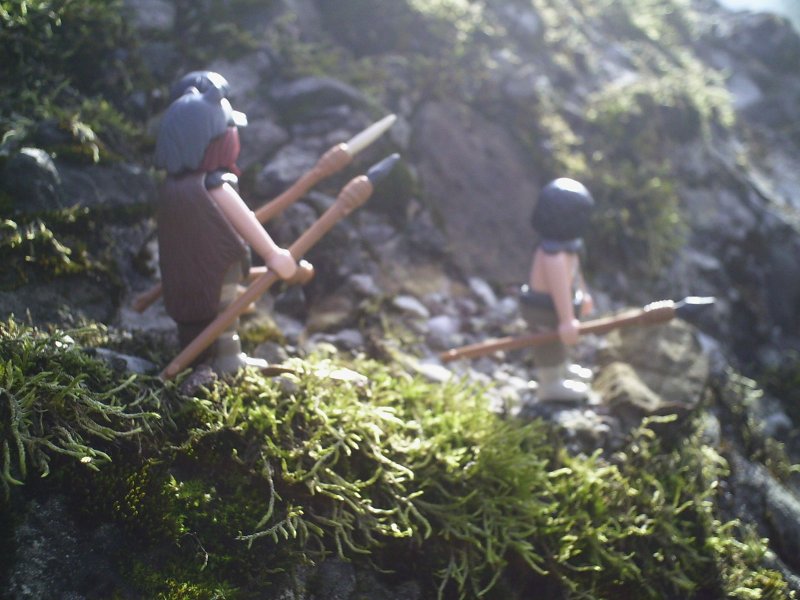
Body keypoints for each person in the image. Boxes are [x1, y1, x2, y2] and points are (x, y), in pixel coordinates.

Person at [154, 72, 297, 373]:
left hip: (189, 270)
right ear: (215, 139)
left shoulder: (172, 188)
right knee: (223, 315)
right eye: (231, 130)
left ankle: (200, 361)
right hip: (217, 268)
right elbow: (243, 220)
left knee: (199, 316)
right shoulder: (215, 185)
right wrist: (273, 254)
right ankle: (227, 362)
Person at [519, 178, 595, 402]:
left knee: (561, 341)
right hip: (544, 307)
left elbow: (575, 274)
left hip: (560, 306)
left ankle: (563, 370)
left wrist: (583, 294)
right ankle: (550, 382)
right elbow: (559, 287)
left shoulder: (569, 249)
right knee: (549, 342)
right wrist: (566, 318)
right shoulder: (552, 255)